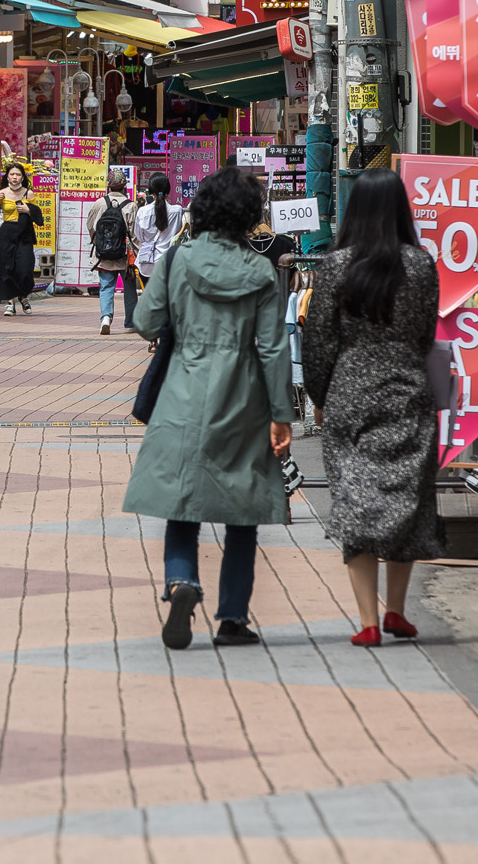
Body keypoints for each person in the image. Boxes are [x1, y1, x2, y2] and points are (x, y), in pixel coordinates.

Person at [124, 166, 293, 652]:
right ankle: (232, 618)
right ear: (248, 216)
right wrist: (282, 415)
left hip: (183, 389)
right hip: (244, 397)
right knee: (244, 510)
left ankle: (181, 582)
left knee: (182, 501)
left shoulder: (177, 260)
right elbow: (273, 349)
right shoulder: (261, 272)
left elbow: (144, 321)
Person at [300, 167, 443, 647]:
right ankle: (397, 610)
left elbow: (318, 341)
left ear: (354, 210)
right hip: (408, 392)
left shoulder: (335, 266)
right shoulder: (421, 265)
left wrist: (321, 395)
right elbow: (426, 334)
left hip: (350, 395)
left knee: (354, 500)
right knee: (409, 499)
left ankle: (367, 620)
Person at [0, 162, 44, 316]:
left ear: (23, 177)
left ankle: (23, 296)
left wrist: (28, 210)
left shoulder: (29, 194)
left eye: (18, 174)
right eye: (12, 174)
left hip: (24, 234)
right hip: (6, 234)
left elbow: (37, 215)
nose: (15, 177)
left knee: (25, 269)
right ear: (7, 176)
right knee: (6, 269)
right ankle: (10, 303)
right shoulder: (2, 193)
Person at [90, 173, 135, 335]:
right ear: (124, 186)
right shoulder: (131, 205)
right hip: (124, 255)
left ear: (108, 186)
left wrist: (99, 244)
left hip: (103, 254)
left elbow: (91, 226)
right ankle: (130, 324)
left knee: (106, 287)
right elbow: (134, 233)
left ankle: (106, 318)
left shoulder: (99, 203)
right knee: (129, 289)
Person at [133, 172, 181, 285]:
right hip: (168, 264)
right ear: (167, 189)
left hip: (147, 265)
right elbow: (178, 232)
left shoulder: (143, 211)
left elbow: (139, 236)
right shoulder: (177, 210)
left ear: (150, 189)